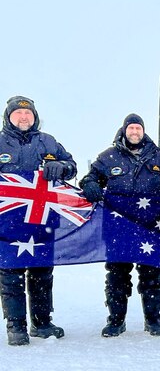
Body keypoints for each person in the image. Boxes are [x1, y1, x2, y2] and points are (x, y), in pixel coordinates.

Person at [79, 114, 160, 337]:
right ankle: (116, 320)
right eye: (131, 128)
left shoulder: (158, 158)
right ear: (124, 131)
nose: (134, 132)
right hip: (118, 226)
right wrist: (90, 185)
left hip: (149, 225)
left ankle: (153, 319)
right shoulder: (108, 157)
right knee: (117, 275)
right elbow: (89, 178)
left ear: (143, 131)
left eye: (138, 128)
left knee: (151, 275)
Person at [0, 96, 77, 346]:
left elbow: (72, 165)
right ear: (8, 117)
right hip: (8, 223)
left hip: (42, 219)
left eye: (28, 114)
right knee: (11, 274)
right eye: (18, 114)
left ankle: (42, 322)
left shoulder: (48, 141)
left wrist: (62, 167)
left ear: (34, 117)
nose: (24, 118)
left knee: (42, 273)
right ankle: (16, 325)